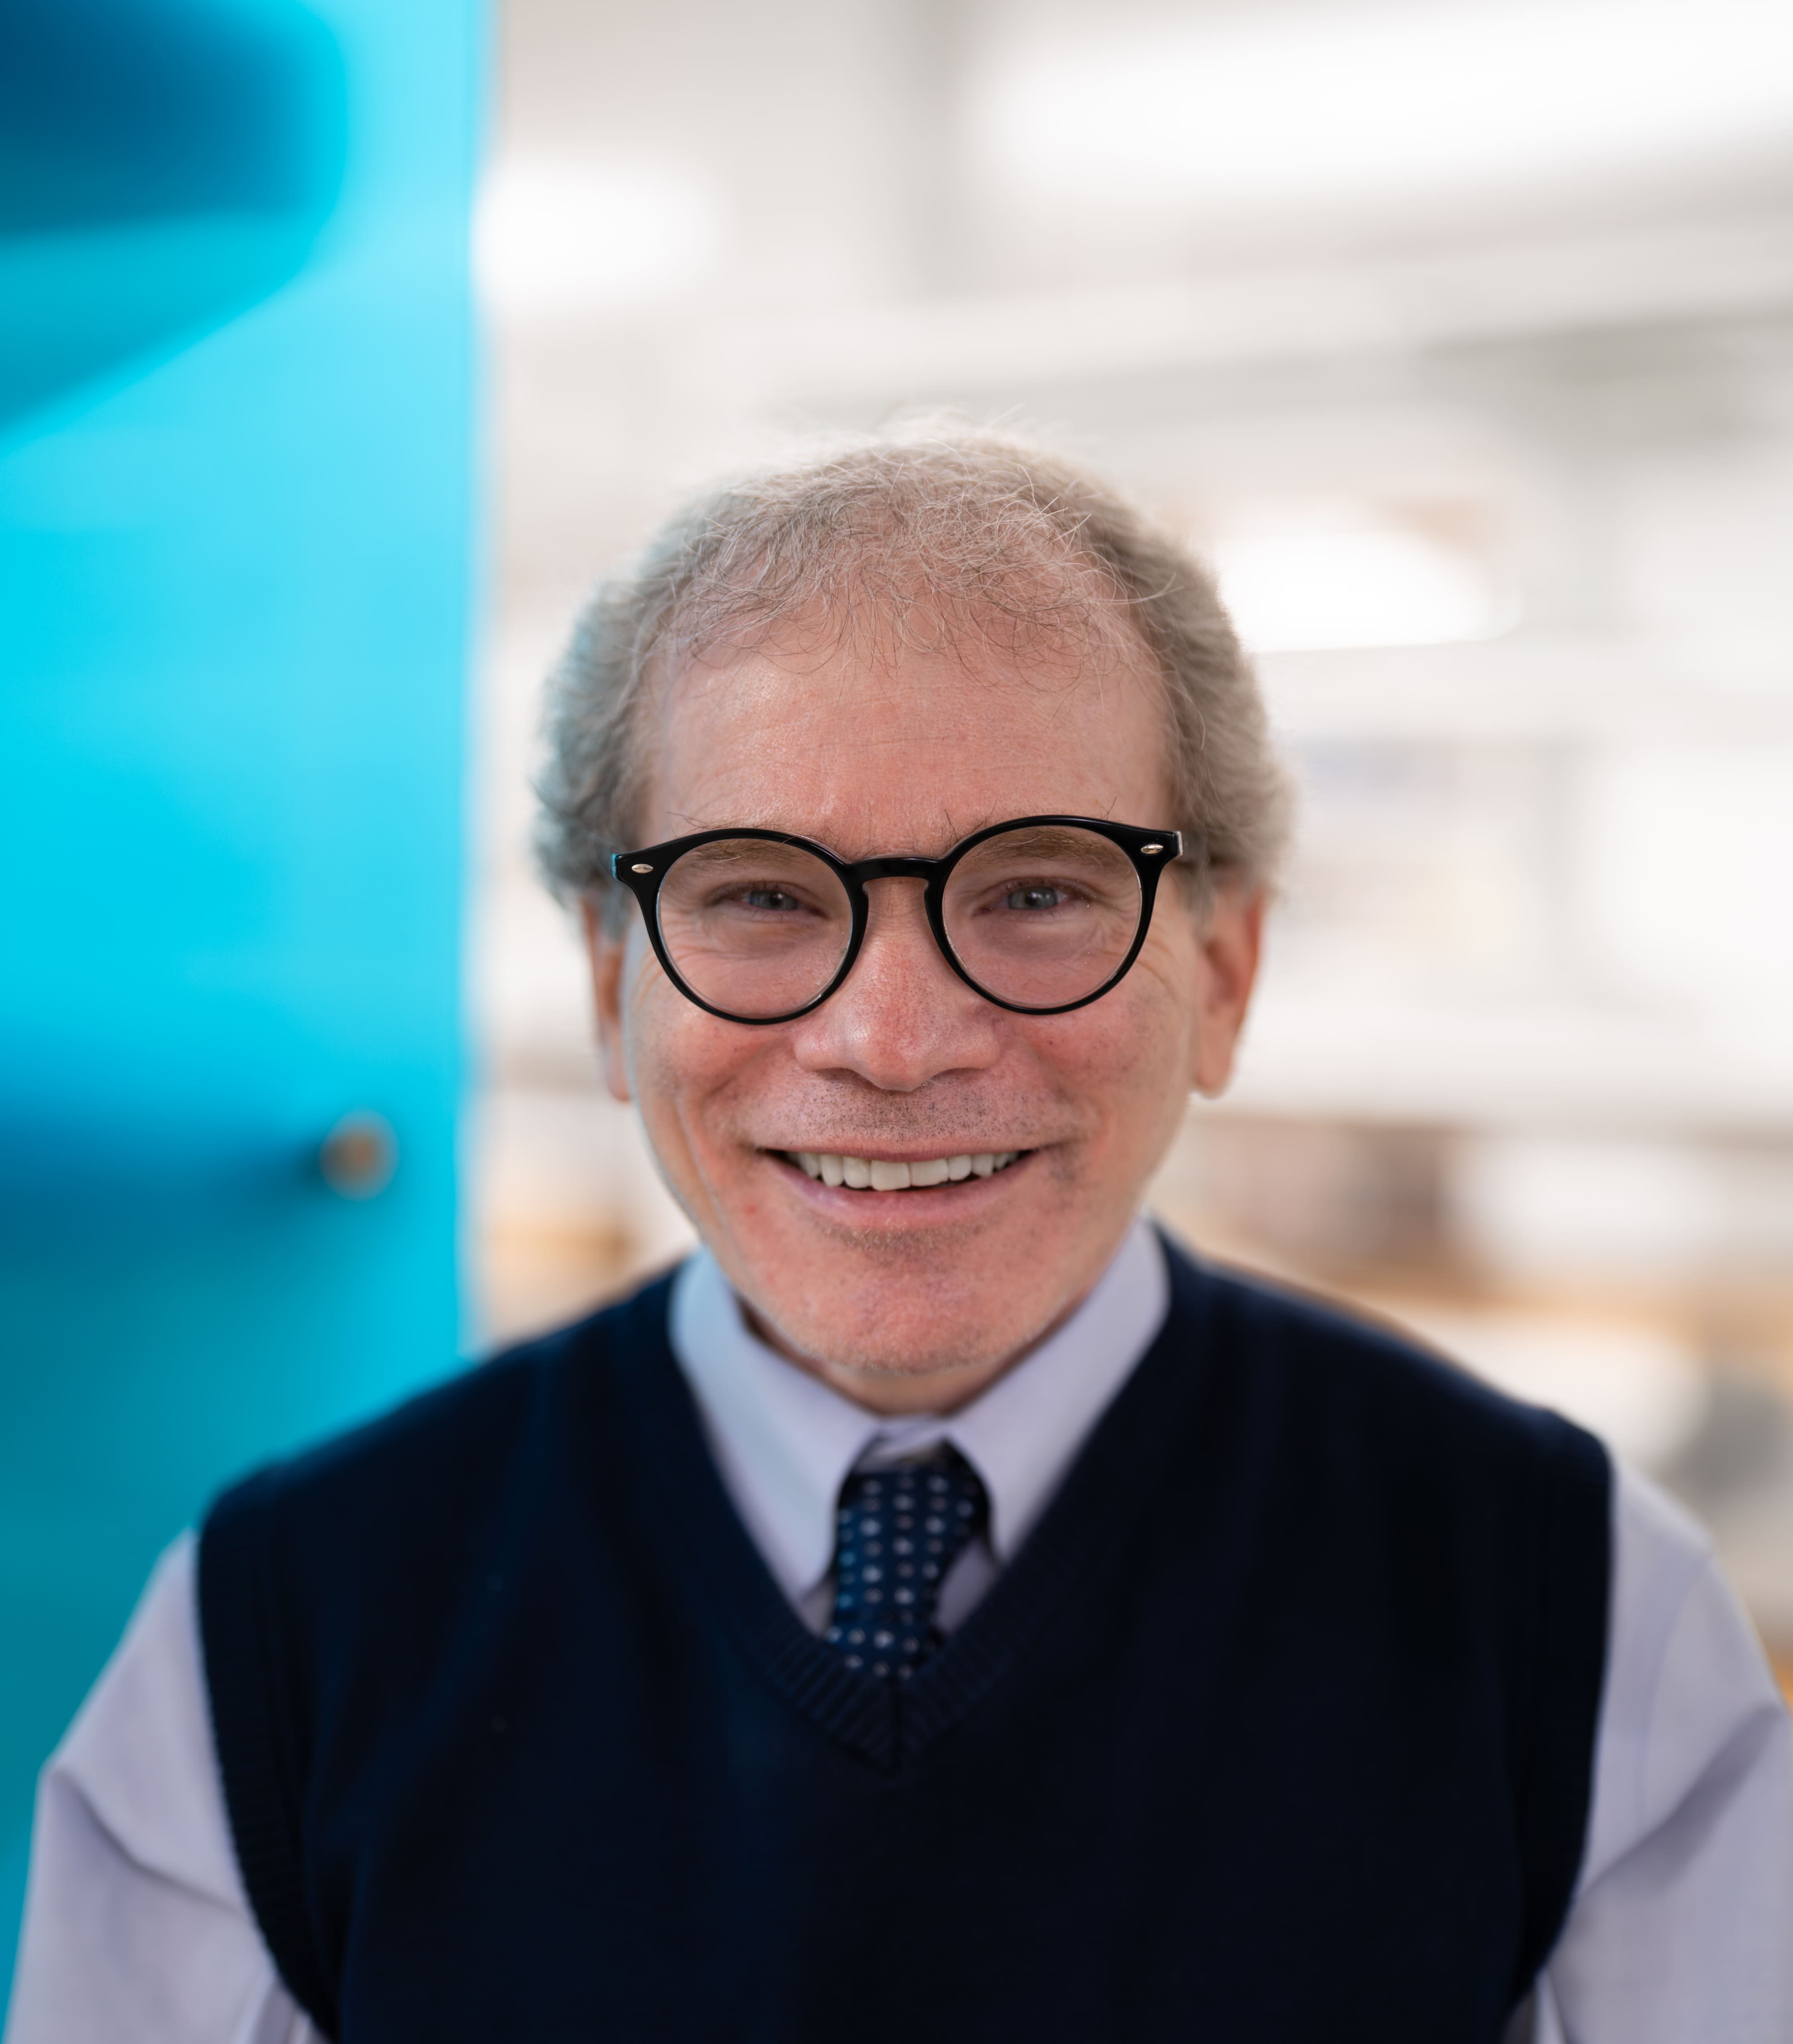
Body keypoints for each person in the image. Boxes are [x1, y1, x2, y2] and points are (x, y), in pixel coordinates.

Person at [8, 430, 1791, 2044]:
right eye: (763, 899)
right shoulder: (281, 1641)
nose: (888, 1038)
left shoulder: (1578, 1623)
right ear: (615, 980)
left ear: (1226, 974)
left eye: (1033, 894)